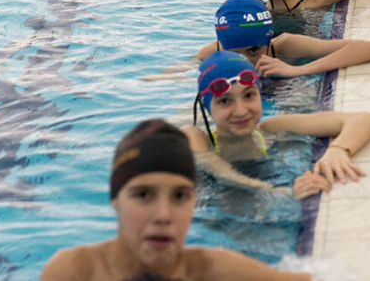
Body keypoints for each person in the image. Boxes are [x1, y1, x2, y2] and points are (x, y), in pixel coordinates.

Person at [40, 119, 312, 281]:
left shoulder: (218, 271)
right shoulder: (77, 271)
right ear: (115, 200)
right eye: (143, 195)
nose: (163, 215)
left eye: (180, 196)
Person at [181, 51, 370, 198]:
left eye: (249, 95)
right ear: (207, 108)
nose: (241, 111)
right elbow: (219, 170)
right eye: (225, 101)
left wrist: (338, 150)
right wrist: (279, 192)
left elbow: (365, 119)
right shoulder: (195, 137)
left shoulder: (271, 129)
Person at [195, 0, 370, 77]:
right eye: (234, 54)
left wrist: (297, 71)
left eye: (253, 50)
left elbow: (369, 49)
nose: (246, 63)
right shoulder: (211, 53)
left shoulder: (286, 46)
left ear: (268, 41)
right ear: (221, 47)